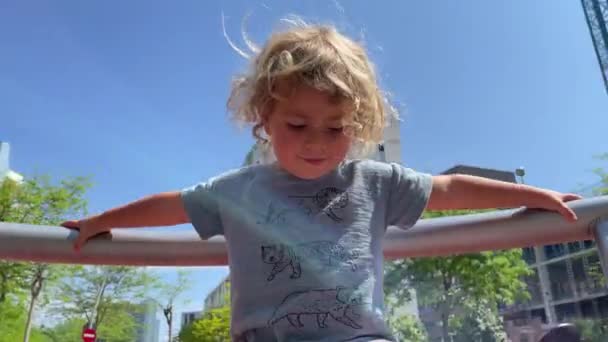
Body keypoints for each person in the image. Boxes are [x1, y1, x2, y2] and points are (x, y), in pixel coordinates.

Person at [62, 21, 581, 342]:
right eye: (297, 125)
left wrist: (534, 195)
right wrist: (98, 223)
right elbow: (171, 205)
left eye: (335, 128)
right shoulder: (239, 189)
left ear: (357, 128)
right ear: (264, 119)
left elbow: (450, 190)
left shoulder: (373, 181)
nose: (316, 141)